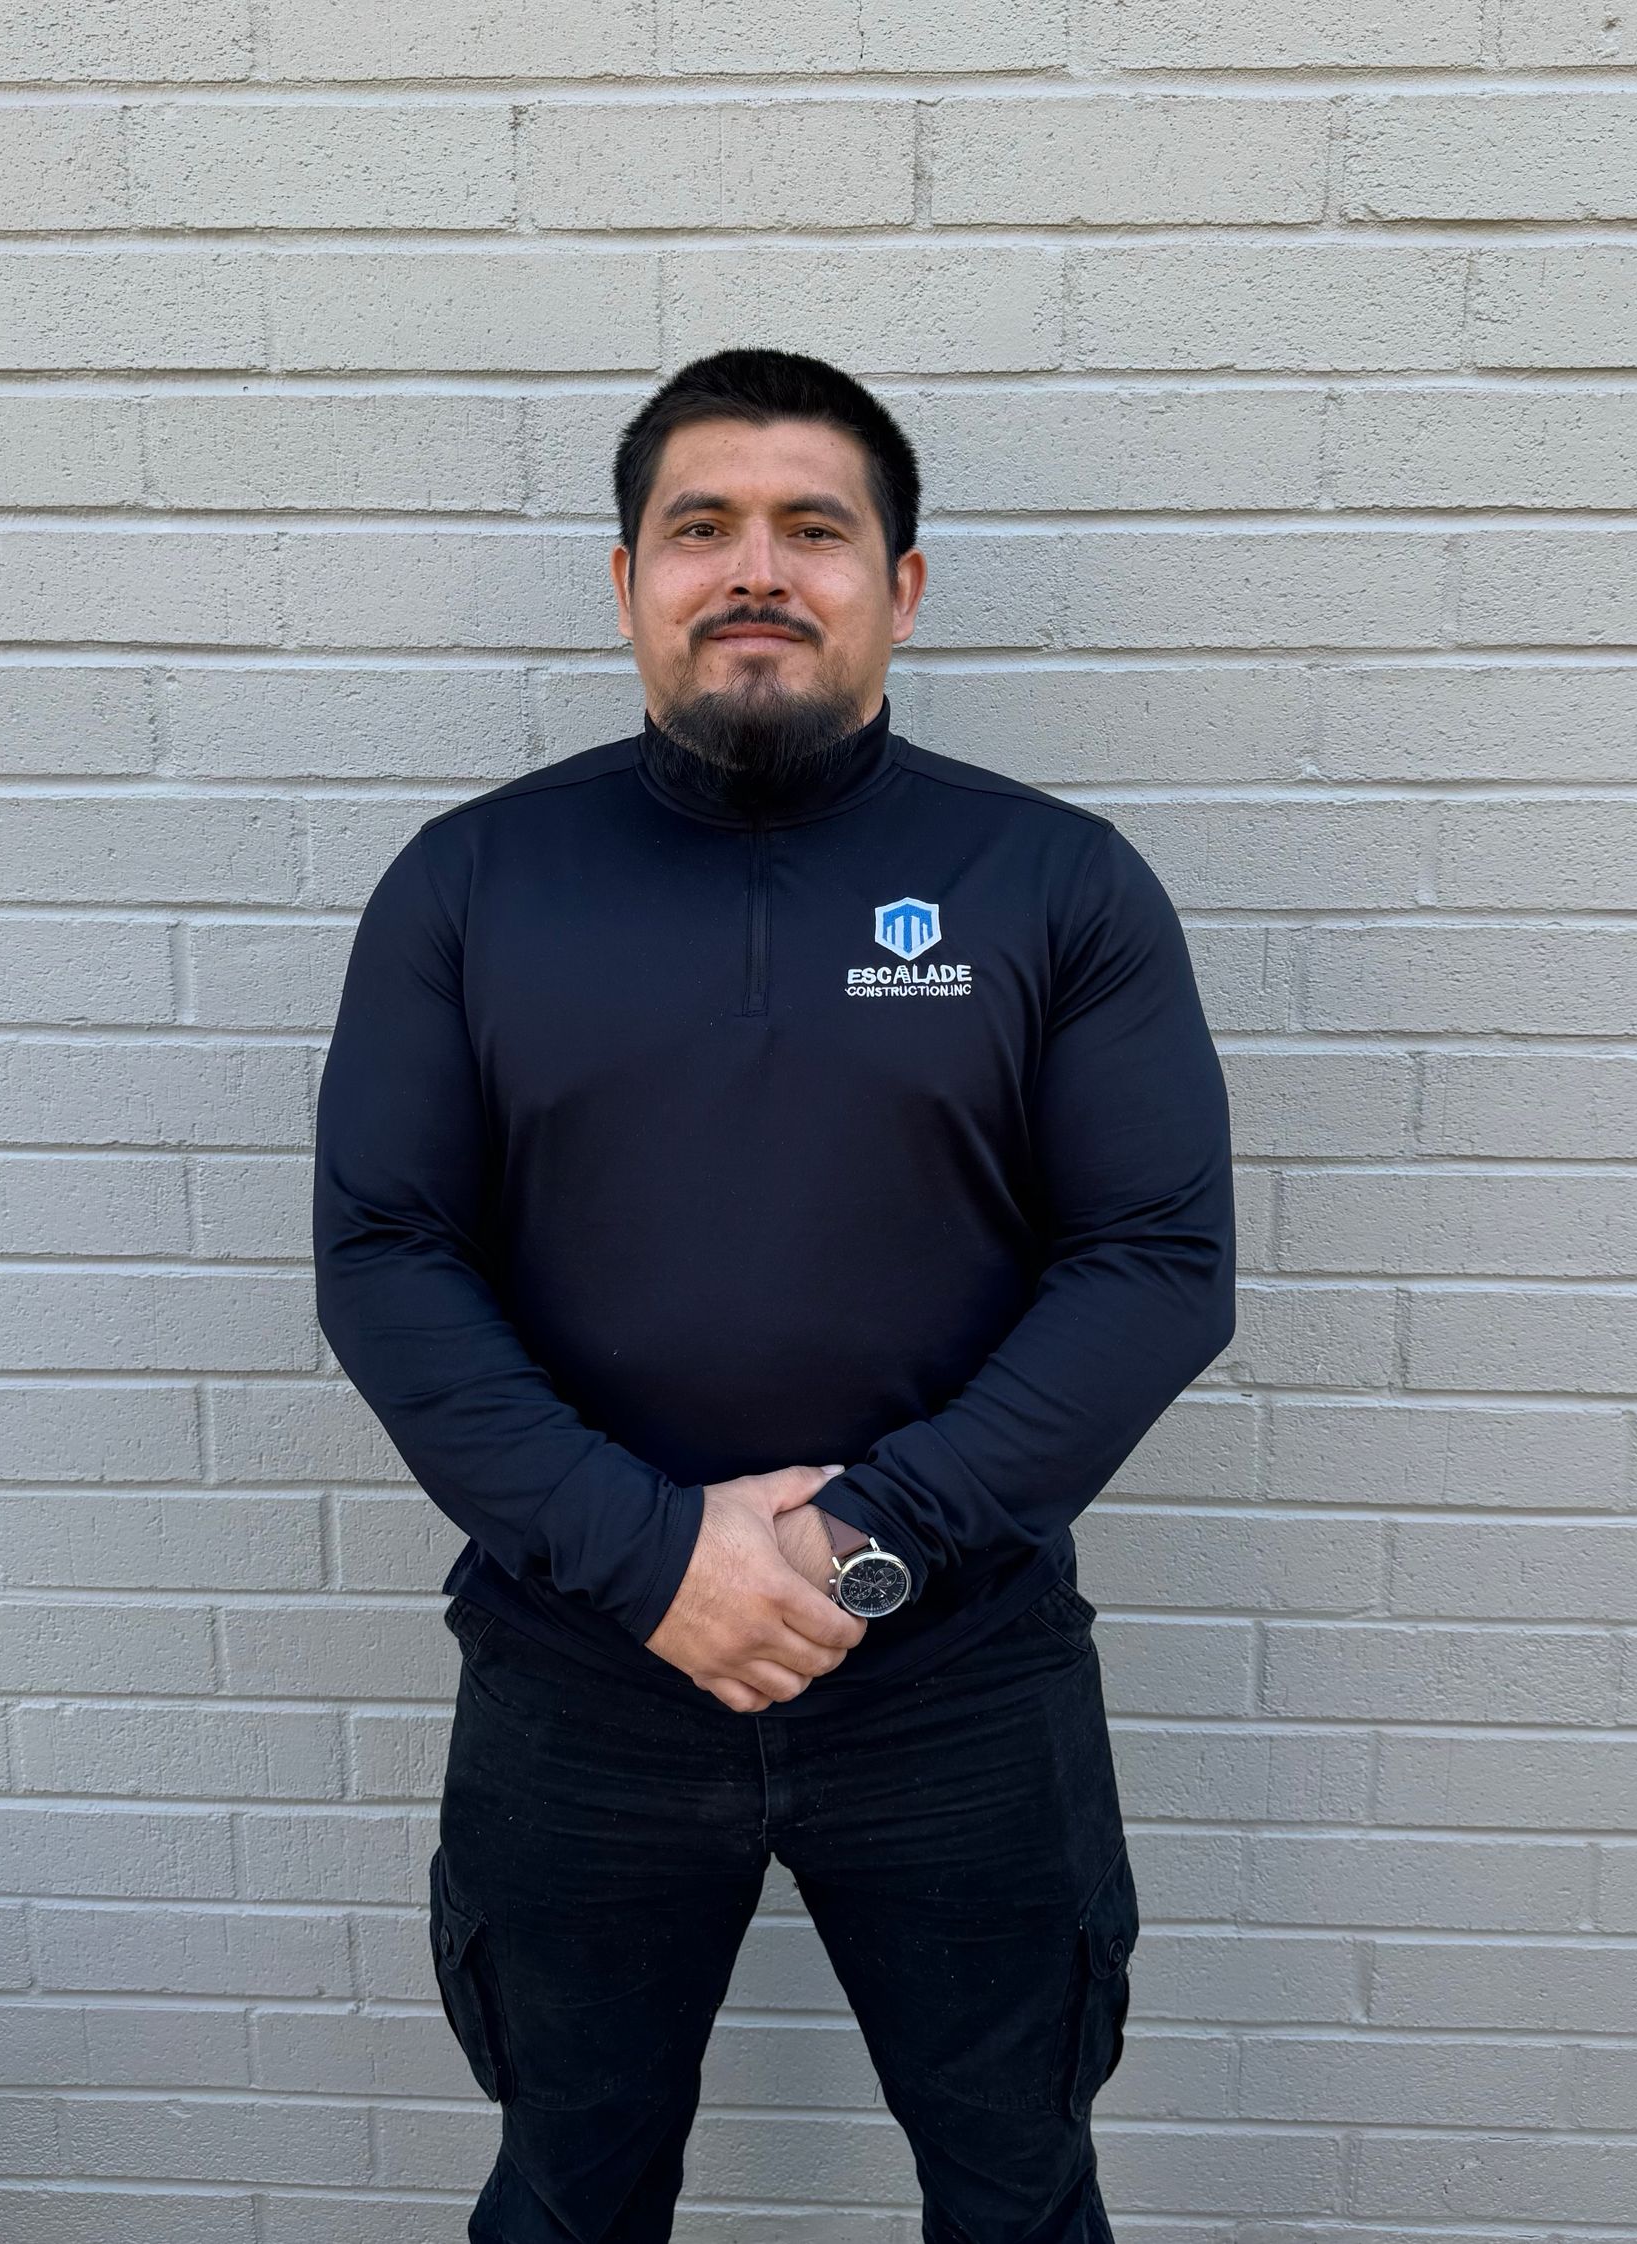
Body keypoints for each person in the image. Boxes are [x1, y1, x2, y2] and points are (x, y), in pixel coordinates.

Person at [312, 347, 1236, 2243]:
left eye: (814, 527)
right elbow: (387, 1258)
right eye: (699, 527)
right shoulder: (473, 884)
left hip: (958, 1678)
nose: (755, 567)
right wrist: (646, 1559)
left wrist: (868, 1546)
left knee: (1017, 2185)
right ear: (629, 580)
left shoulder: (1054, 883)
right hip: (582, 1672)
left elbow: (1154, 1266)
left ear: (900, 586)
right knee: (570, 2191)